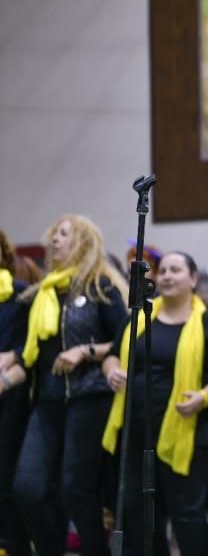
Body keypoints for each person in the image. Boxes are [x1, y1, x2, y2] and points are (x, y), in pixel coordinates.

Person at [101, 252, 208, 555]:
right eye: (162, 270)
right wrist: (112, 371)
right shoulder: (139, 318)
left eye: (175, 270)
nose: (165, 276)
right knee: (140, 512)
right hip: (137, 431)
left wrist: (203, 397)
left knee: (186, 514)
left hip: (188, 433)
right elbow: (113, 352)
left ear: (192, 279)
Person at [8, 214, 128, 556]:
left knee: (75, 490)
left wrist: (86, 350)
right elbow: (29, 354)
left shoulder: (99, 287)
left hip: (89, 397)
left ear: (84, 244)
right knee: (26, 488)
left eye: (64, 234)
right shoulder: (42, 293)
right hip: (46, 401)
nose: (54, 241)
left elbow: (127, 337)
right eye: (54, 235)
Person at [0, 230, 30, 556]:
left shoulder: (21, 295)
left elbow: (32, 344)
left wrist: (13, 356)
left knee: (6, 479)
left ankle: (12, 545)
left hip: (10, 395)